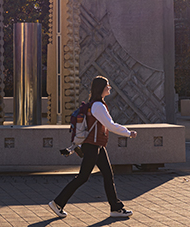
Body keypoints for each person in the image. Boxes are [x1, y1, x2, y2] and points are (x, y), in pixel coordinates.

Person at [48, 76, 136, 219]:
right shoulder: (98, 106)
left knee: (107, 175)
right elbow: (110, 125)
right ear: (101, 88)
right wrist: (128, 133)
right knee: (83, 177)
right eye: (107, 85)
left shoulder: (96, 104)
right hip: (92, 146)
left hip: (96, 146)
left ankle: (116, 208)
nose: (109, 87)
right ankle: (57, 203)